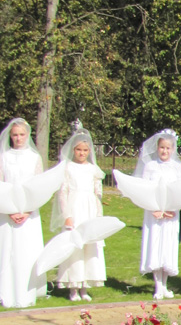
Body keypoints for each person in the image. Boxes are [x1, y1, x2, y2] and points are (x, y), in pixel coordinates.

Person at [51, 129, 107, 301]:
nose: (81, 153)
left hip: (89, 210)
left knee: (89, 247)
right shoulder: (68, 168)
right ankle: (73, 287)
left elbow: (98, 194)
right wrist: (67, 215)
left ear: (89, 151)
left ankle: (85, 286)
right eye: (78, 150)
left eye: (85, 150)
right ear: (73, 150)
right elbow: (63, 193)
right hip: (74, 208)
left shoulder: (93, 169)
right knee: (75, 247)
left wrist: (98, 216)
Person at [0, 118, 47, 308]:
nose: (18, 138)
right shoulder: (4, 157)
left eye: (21, 134)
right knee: (7, 252)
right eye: (15, 135)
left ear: (27, 135)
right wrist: (9, 210)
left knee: (26, 252)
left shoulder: (34, 158)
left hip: (29, 212)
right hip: (7, 211)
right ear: (10, 136)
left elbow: (39, 187)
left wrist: (28, 210)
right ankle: (6, 292)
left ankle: (26, 292)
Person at [136, 129, 181, 300]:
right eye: (162, 147)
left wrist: (173, 209)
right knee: (156, 246)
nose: (164, 151)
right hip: (154, 213)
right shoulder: (150, 166)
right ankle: (158, 285)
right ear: (157, 148)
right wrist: (153, 209)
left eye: (168, 148)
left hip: (171, 213)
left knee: (167, 247)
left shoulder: (178, 168)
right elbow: (145, 190)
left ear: (173, 149)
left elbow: (180, 191)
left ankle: (165, 285)